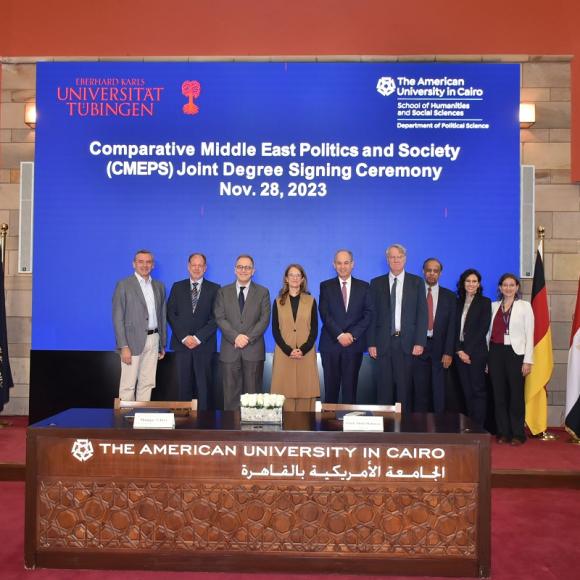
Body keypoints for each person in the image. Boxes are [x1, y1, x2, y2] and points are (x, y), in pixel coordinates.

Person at [368, 244, 428, 412]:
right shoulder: (376, 283)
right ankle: (384, 431)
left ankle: (404, 430)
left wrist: (420, 342)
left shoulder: (416, 282)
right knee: (383, 390)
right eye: (392, 257)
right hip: (383, 344)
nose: (396, 260)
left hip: (407, 344)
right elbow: (372, 316)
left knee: (405, 390)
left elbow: (422, 314)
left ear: (405, 259)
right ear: (388, 260)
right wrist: (371, 343)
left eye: (399, 257)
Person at [214, 255, 271, 410]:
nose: (243, 270)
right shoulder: (223, 292)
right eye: (240, 267)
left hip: (253, 350)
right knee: (230, 395)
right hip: (230, 350)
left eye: (247, 267)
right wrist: (235, 337)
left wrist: (247, 338)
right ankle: (231, 432)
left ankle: (252, 431)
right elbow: (219, 317)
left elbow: (264, 319)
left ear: (253, 271)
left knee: (253, 397)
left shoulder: (263, 292)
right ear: (234, 269)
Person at [319, 249, 373, 404]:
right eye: (339, 263)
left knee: (350, 391)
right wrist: (339, 335)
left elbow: (368, 313)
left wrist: (352, 335)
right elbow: (324, 313)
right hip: (331, 344)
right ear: (334, 265)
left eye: (346, 262)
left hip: (353, 345)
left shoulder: (364, 286)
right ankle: (328, 427)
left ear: (352, 264)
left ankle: (350, 426)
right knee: (330, 392)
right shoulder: (326, 286)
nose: (343, 266)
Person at [167, 253, 220, 409]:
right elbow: (171, 313)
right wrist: (184, 337)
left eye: (200, 265)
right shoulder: (177, 287)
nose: (196, 268)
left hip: (204, 346)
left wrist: (197, 338)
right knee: (183, 387)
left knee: (204, 388)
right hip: (181, 345)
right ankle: (183, 425)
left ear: (205, 268)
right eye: (193, 265)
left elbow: (216, 317)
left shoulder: (215, 288)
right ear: (188, 266)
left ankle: (204, 425)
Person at [112, 249, 166, 401]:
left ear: (153, 265)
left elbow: (161, 315)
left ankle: (142, 418)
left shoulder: (159, 286)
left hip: (154, 340)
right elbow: (117, 317)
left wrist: (162, 343)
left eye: (148, 262)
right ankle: (124, 421)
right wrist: (123, 346)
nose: (145, 265)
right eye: (140, 262)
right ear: (133, 264)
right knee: (128, 385)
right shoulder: (123, 285)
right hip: (131, 342)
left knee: (147, 383)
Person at [487, 273, 534, 445]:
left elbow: (530, 334)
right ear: (500, 288)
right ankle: (503, 432)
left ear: (517, 287)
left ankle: (517, 433)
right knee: (499, 394)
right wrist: (487, 360)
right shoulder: (493, 306)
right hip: (495, 353)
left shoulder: (524, 306)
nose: (508, 288)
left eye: (511, 285)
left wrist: (528, 360)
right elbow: (487, 335)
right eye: (505, 285)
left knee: (515, 394)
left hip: (516, 354)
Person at [270, 264, 320, 411]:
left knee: (306, 392)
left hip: (306, 354)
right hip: (284, 354)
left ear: (302, 279)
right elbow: (275, 330)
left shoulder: (310, 300)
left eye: (298, 275)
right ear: (286, 278)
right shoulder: (278, 301)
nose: (294, 278)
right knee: (284, 393)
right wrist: (288, 350)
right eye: (291, 275)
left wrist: (302, 350)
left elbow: (314, 330)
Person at [411, 258, 456, 412]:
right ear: (423, 271)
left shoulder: (449, 296)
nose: (431, 273)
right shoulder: (413, 294)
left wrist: (449, 352)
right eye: (428, 270)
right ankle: (419, 428)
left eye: (435, 271)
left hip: (440, 348)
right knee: (419, 390)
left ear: (440, 273)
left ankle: (439, 427)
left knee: (439, 391)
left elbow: (452, 327)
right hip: (418, 347)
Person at [454, 268, 491, 427]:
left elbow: (482, 329)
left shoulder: (485, 302)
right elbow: (452, 329)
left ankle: (479, 427)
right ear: (463, 283)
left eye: (474, 281)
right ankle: (469, 426)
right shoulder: (456, 302)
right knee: (466, 392)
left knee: (478, 391)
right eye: (468, 281)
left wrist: (467, 351)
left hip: (476, 353)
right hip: (459, 353)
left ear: (479, 284)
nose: (471, 284)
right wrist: (459, 350)